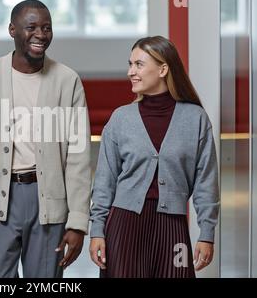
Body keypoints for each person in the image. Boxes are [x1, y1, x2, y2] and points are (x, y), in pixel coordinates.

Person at [0, 0, 91, 278]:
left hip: (48, 200)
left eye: (47, 27)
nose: (41, 34)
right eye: (31, 27)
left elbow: (78, 157)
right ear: (12, 30)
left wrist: (77, 222)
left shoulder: (67, 80)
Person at [89, 36, 220, 278]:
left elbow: (206, 181)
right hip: (124, 226)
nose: (131, 72)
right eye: (130, 64)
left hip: (173, 227)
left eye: (139, 64)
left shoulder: (195, 119)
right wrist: (97, 230)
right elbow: (104, 182)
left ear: (163, 69)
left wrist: (207, 233)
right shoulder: (121, 119)